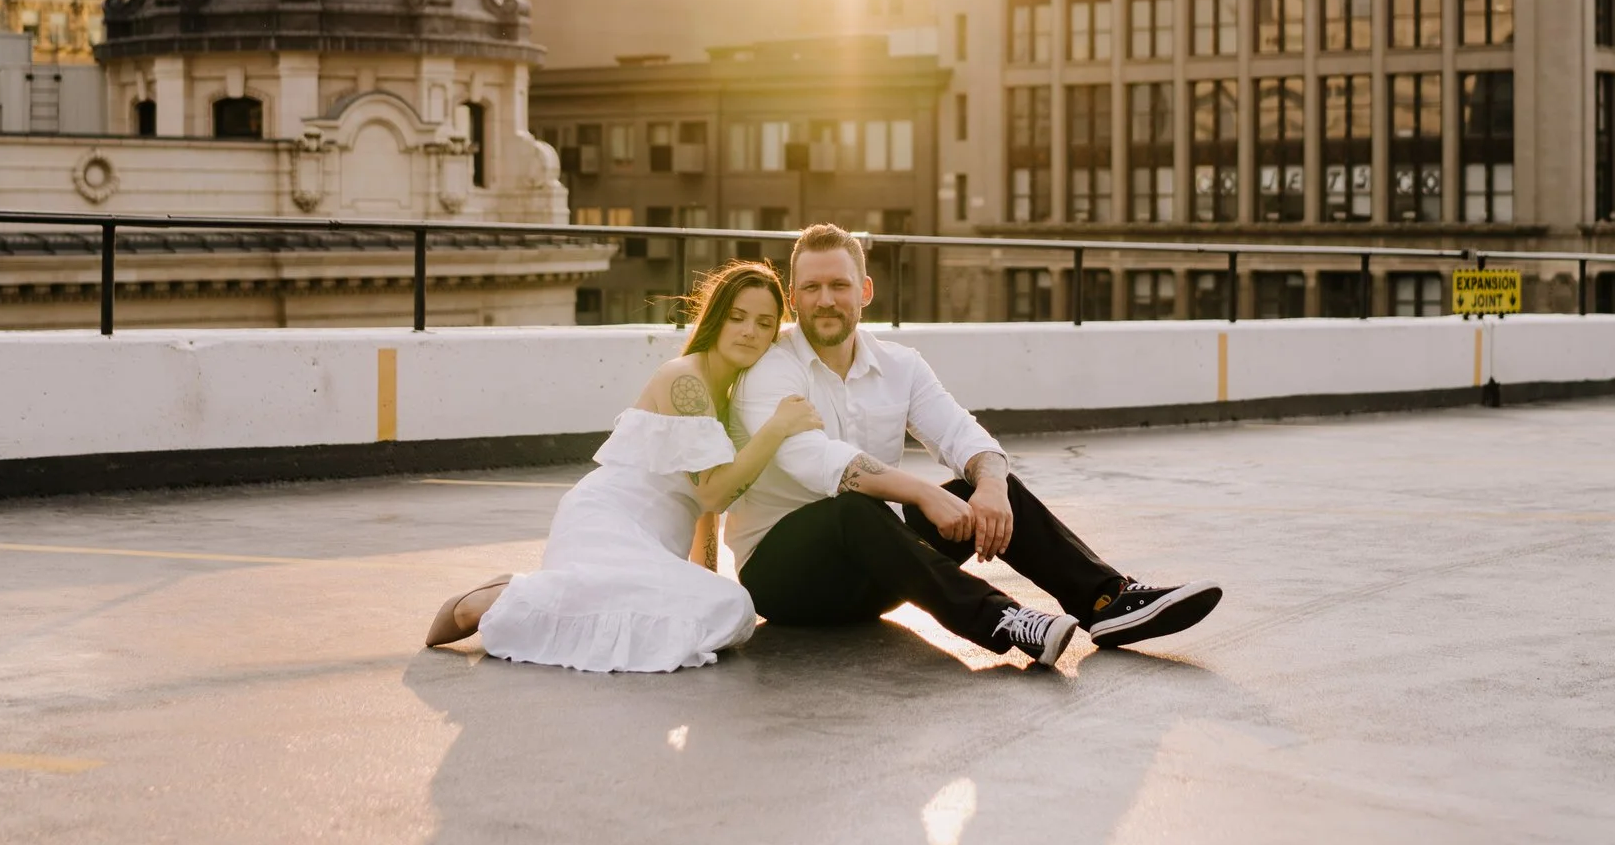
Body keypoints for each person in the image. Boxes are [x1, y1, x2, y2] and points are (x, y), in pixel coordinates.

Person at [727, 224, 1223, 666]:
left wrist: (990, 484)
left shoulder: (900, 364)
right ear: (793, 297)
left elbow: (957, 430)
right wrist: (920, 493)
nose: (826, 300)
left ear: (866, 290)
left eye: (839, 285)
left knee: (987, 485)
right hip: (786, 580)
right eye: (811, 288)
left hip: (879, 573)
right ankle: (1003, 619)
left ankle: (1106, 601)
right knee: (852, 509)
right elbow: (815, 461)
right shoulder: (770, 368)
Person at [426, 260, 822, 673]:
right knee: (734, 607)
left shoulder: (730, 398)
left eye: (764, 323)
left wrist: (705, 577)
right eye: (737, 317)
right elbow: (711, 491)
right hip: (608, 522)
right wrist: (776, 428)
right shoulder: (684, 380)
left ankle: (542, 593)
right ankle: (500, 597)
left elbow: (705, 509)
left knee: (724, 608)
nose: (749, 332)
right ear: (716, 317)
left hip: (652, 546)